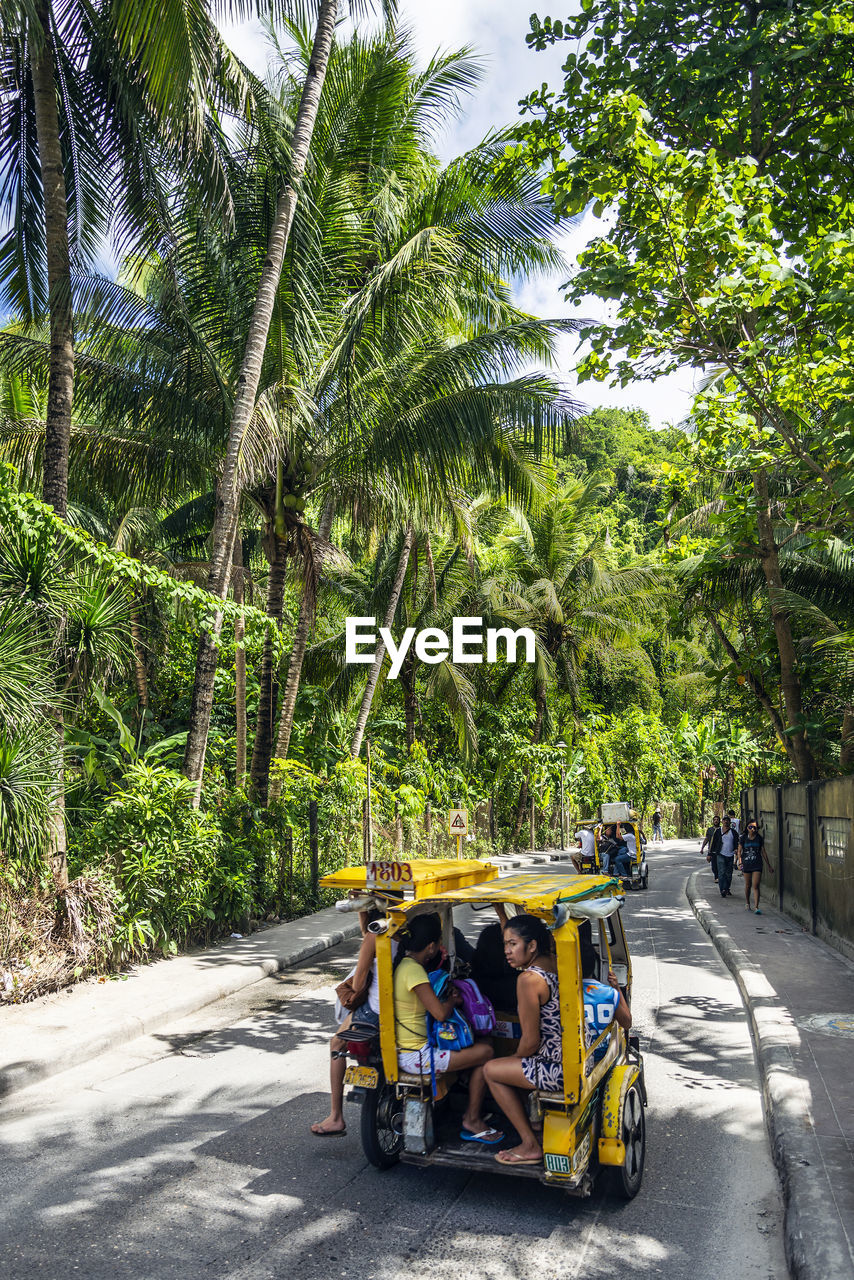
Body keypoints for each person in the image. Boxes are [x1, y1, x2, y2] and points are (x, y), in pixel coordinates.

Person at [483, 915, 630, 1167]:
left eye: (512, 944)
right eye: (505, 944)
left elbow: (530, 1041)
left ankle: (529, 1144)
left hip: (556, 1067)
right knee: (512, 1065)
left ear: (531, 946)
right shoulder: (556, 961)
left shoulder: (528, 980)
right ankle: (535, 1122)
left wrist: (514, 1058)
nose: (506, 951)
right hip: (579, 1055)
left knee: (491, 1070)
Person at [393, 912, 502, 1144]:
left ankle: (467, 1097)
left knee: (479, 1047)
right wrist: (454, 1000)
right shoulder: (414, 971)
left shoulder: (402, 965)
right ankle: (472, 1118)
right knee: (487, 1051)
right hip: (417, 1057)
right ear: (431, 947)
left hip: (406, 1050)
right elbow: (440, 1013)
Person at [311, 908, 385, 1136]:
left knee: (336, 1044)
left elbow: (358, 985)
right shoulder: (408, 926)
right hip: (407, 1007)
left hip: (376, 1012)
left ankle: (336, 1116)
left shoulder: (377, 933)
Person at [738, 819, 775, 913]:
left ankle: (756, 907)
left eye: (754, 827)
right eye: (750, 827)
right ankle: (747, 903)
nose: (752, 829)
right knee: (747, 885)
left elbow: (763, 852)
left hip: (757, 864)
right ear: (747, 828)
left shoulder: (759, 838)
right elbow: (739, 851)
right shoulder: (743, 838)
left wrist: (769, 865)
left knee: (756, 885)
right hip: (746, 864)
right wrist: (740, 862)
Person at [710, 815, 738, 898]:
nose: (726, 821)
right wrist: (710, 854)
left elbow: (736, 842)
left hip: (730, 855)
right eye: (724, 820)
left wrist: (736, 849)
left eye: (727, 820)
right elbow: (713, 843)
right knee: (721, 873)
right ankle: (722, 889)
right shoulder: (718, 832)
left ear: (729, 822)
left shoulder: (733, 832)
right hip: (720, 855)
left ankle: (727, 888)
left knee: (729, 874)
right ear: (722, 822)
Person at [700, 813, 721, 880]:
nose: (716, 821)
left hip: (720, 850)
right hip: (712, 850)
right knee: (714, 865)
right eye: (714, 820)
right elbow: (707, 839)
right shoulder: (710, 830)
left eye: (717, 820)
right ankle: (716, 876)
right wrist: (702, 848)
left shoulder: (721, 829)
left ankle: (718, 877)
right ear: (713, 821)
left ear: (719, 821)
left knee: (720, 864)